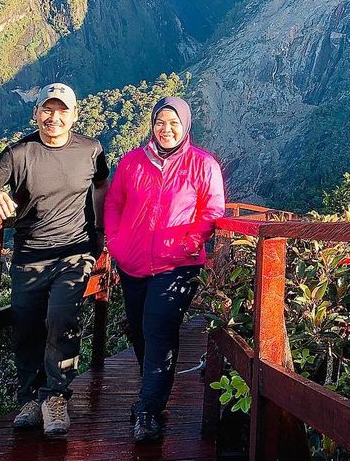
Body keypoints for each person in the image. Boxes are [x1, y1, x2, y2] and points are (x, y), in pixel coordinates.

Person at [0, 82, 108, 439]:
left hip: (75, 251)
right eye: (47, 109)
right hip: (30, 255)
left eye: (62, 111)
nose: (54, 117)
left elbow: (101, 185)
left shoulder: (91, 150)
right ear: (36, 112)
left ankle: (55, 395)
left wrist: (100, 232)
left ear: (74, 116)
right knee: (26, 326)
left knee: (61, 318)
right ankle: (30, 398)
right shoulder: (19, 153)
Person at [104, 96, 225, 443]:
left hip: (177, 266)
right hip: (133, 263)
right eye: (160, 122)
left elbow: (212, 210)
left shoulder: (203, 164)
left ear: (185, 125)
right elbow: (114, 203)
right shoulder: (132, 162)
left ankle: (147, 410)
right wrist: (116, 242)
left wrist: (190, 242)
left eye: (173, 123)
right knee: (140, 331)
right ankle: (152, 395)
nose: (166, 129)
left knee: (157, 328)